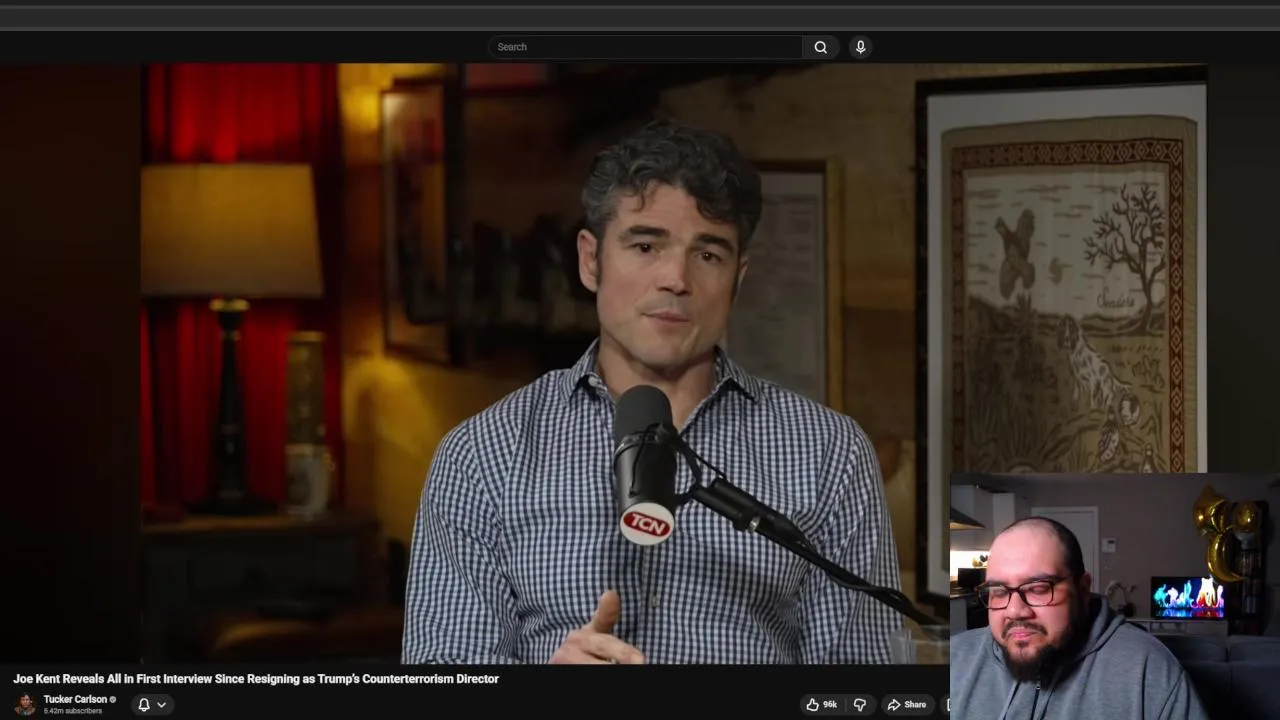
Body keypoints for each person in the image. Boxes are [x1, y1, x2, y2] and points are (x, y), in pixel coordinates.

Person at [401, 118, 902, 664]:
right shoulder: (483, 456)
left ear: (737, 278)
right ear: (591, 260)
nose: (676, 279)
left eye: (708, 255)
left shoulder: (829, 453)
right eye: (645, 246)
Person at [950, 517, 1209, 719]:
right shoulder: (954, 658)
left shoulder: (1149, 670)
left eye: (1038, 588)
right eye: (998, 591)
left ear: (1082, 589)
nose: (1015, 611)